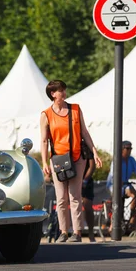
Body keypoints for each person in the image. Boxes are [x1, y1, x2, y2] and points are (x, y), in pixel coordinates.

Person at [40, 80, 102, 243]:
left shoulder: (75, 109)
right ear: (53, 94)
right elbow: (44, 141)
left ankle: (77, 232)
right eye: (61, 90)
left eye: (64, 90)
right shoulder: (46, 114)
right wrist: (45, 162)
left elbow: (84, 132)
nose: (64, 93)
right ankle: (63, 232)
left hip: (77, 157)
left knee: (75, 196)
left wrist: (94, 152)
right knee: (61, 198)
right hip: (57, 159)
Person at [106, 141, 136, 228]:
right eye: (127, 148)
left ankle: (132, 219)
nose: (130, 150)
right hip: (113, 184)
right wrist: (119, 181)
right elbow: (113, 174)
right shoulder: (116, 159)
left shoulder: (131, 160)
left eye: (131, 148)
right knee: (117, 203)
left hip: (125, 184)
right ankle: (112, 225)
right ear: (122, 149)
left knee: (135, 195)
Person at [81, 156, 96, 242]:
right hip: (72, 178)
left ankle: (91, 233)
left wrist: (85, 180)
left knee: (88, 207)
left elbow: (92, 166)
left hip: (86, 181)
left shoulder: (87, 146)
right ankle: (68, 232)